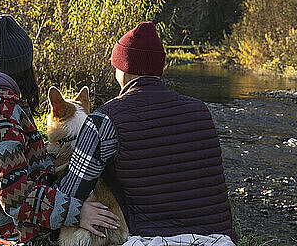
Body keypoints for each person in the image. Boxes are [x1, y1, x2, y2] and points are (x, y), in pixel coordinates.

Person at [57, 22, 239, 246]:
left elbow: (69, 193)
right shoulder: (200, 111)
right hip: (218, 241)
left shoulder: (104, 120)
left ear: (122, 68)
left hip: (149, 240)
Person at [0, 14, 120, 245]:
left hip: (12, 220)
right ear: (25, 68)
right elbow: (16, 199)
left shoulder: (0, 103)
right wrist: (77, 212)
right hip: (10, 232)